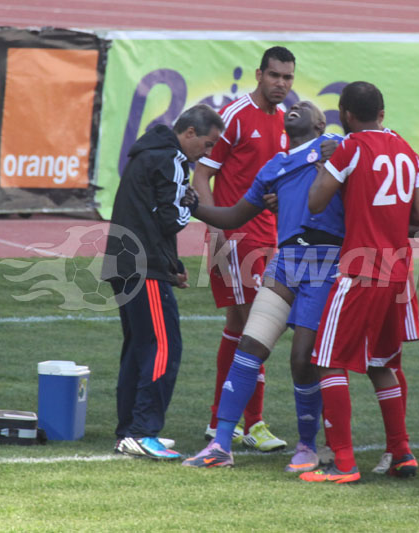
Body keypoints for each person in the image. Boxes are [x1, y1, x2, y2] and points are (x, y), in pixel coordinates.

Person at [181, 101, 343, 471]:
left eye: (306, 105)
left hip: (326, 263)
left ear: (320, 123)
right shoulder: (274, 167)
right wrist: (194, 207)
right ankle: (221, 442)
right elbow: (235, 214)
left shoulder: (338, 147)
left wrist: (346, 153)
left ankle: (307, 446)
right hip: (286, 263)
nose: (296, 104)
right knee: (250, 344)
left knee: (302, 359)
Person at [299, 81, 419, 484]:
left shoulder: (351, 147)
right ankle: (402, 452)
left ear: (345, 114)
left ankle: (343, 463)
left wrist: (326, 167)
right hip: (398, 273)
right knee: (382, 364)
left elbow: (316, 201)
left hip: (361, 270)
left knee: (327, 361)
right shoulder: (407, 150)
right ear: (383, 112)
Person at [104, 104, 223, 459]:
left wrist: (172, 264)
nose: (209, 152)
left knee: (139, 348)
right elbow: (172, 218)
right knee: (163, 348)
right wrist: (191, 201)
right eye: (208, 144)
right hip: (143, 269)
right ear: (189, 134)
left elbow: (149, 217)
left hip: (125, 263)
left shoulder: (147, 153)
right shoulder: (171, 158)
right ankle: (142, 431)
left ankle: (128, 430)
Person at [191, 46, 295, 451]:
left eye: (287, 78)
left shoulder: (287, 122)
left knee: (245, 327)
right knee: (257, 325)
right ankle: (248, 423)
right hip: (236, 239)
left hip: (269, 237)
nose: (281, 84)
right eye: (274, 76)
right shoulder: (235, 117)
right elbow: (203, 175)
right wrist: (216, 227)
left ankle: (227, 419)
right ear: (259, 74)